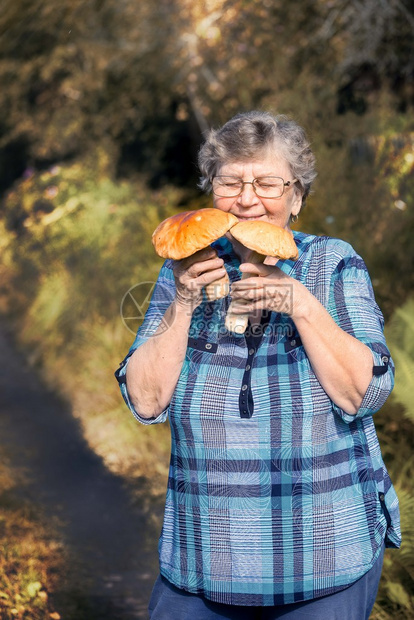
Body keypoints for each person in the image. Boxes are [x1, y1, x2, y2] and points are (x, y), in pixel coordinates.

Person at [115, 111, 401, 619]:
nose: (248, 198)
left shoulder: (333, 262)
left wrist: (303, 305)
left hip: (323, 554)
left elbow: (365, 394)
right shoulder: (183, 268)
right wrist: (182, 302)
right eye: (230, 181)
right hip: (204, 554)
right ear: (212, 191)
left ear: (296, 196)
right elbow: (145, 399)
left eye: (267, 182)